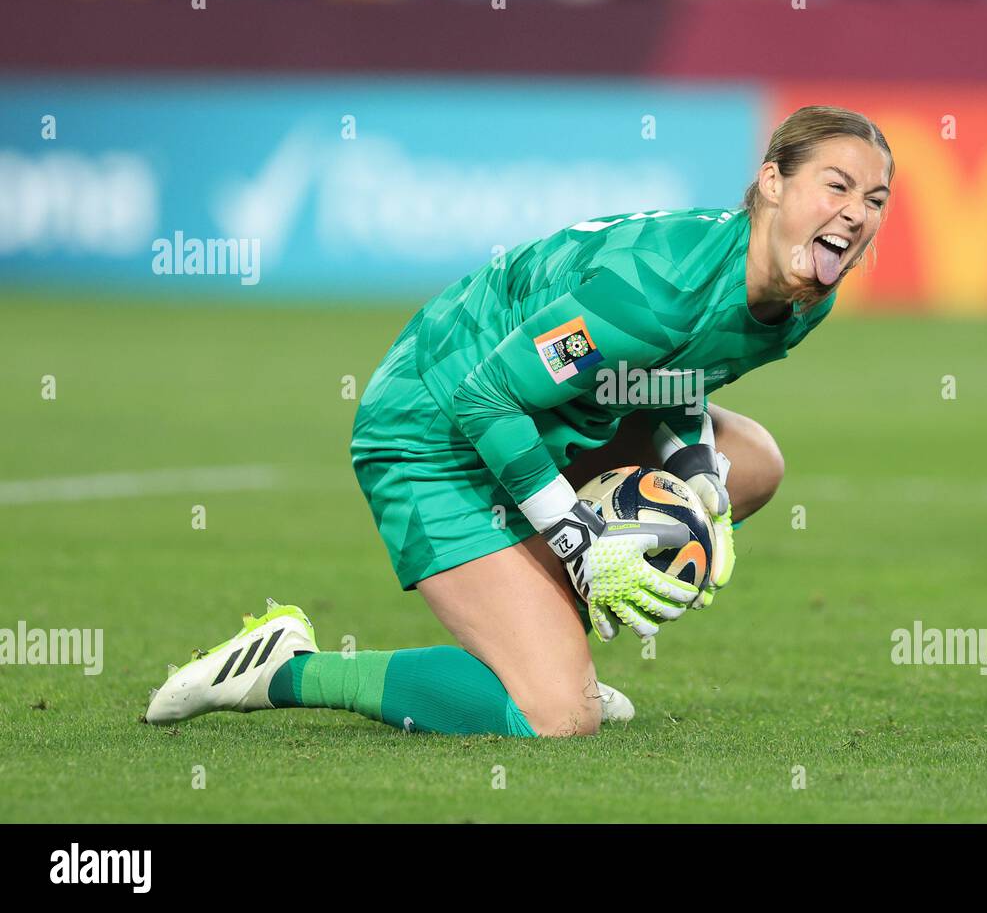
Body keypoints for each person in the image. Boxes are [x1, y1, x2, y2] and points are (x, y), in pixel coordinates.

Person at [145, 104, 894, 738]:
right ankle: (285, 668)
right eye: (838, 185)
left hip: (551, 414)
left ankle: (547, 639)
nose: (857, 213)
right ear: (771, 182)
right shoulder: (659, 286)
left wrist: (695, 464)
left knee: (748, 463)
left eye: (877, 200)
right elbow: (485, 397)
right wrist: (575, 535)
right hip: (433, 426)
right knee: (555, 718)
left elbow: (671, 369)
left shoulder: (803, 294)